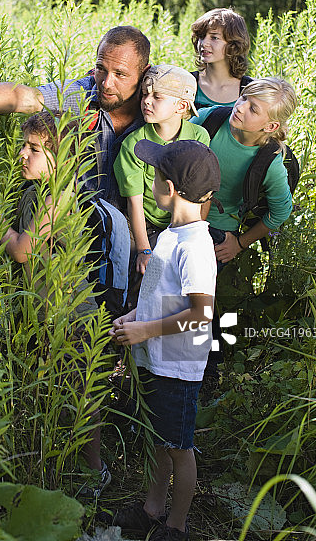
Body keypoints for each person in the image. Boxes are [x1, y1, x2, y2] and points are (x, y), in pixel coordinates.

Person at [0, 110, 128, 499]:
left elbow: (22, 250)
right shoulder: (34, 192)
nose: (24, 154)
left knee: (82, 394)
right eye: (24, 145)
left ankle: (94, 473)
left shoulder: (61, 195)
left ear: (63, 158)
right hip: (44, 313)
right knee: (56, 392)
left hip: (71, 315)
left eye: (35, 149)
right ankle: (62, 466)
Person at [106, 139, 221, 541]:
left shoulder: (196, 247)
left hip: (177, 363)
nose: (150, 181)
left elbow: (201, 312)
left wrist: (144, 330)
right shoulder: (169, 235)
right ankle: (153, 508)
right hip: (154, 357)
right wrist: (133, 317)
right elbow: (152, 293)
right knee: (158, 439)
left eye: (154, 175)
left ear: (168, 189)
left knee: (178, 447)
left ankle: (177, 526)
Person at [0, 25, 151, 208]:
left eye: (120, 74)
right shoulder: (80, 95)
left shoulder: (160, 105)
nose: (106, 83)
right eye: (101, 69)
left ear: (144, 72)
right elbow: (25, 97)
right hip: (74, 224)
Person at [113, 65, 210, 294]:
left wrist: (193, 231)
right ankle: (129, 315)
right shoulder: (134, 144)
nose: (146, 101)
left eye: (157, 96)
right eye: (145, 94)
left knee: (172, 284)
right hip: (141, 225)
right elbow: (134, 203)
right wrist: (144, 251)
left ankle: (163, 322)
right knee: (144, 277)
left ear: (182, 105)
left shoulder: (198, 137)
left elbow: (201, 193)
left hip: (179, 224)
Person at [191, 77, 297, 264]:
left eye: (253, 109)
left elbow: (280, 211)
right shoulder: (211, 118)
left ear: (270, 126)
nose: (240, 107)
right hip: (174, 214)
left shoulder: (269, 162)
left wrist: (239, 244)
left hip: (216, 232)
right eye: (244, 98)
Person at [190, 7, 251, 109]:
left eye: (214, 38)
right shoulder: (186, 84)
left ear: (234, 44)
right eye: (201, 37)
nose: (204, 43)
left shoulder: (250, 90)